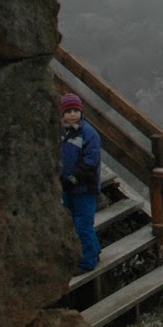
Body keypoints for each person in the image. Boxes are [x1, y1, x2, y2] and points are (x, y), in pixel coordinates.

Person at [58, 92, 101, 273]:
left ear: (81, 112)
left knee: (83, 225)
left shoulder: (88, 133)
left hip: (84, 188)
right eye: (68, 112)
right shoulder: (63, 133)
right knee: (74, 223)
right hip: (67, 187)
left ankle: (87, 262)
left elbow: (91, 161)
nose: (72, 114)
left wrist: (73, 178)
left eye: (75, 111)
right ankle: (95, 250)